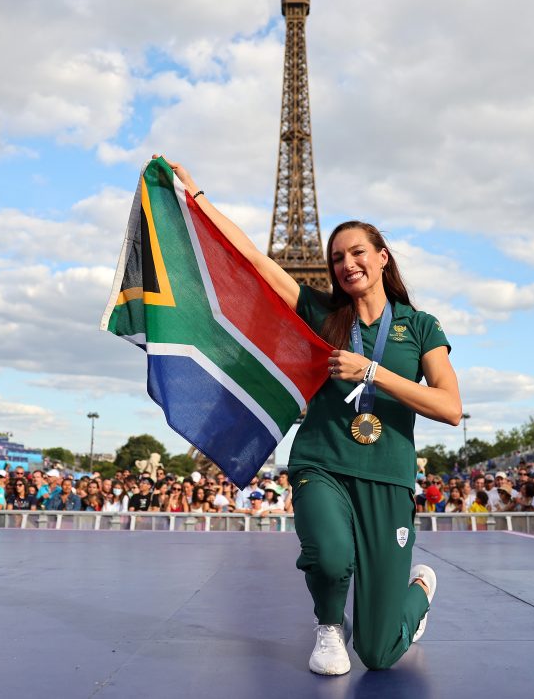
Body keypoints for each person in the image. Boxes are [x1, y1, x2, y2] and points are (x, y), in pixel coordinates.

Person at [162, 157, 461, 676]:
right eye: (338, 257)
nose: (347, 264)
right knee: (328, 554)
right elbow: (255, 261)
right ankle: (328, 626)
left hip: (388, 476)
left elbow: (450, 408)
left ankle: (417, 593)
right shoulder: (324, 315)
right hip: (321, 460)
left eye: (358, 252)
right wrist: (198, 200)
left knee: (381, 653)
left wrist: (374, 372)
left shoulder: (419, 327)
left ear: (383, 257)